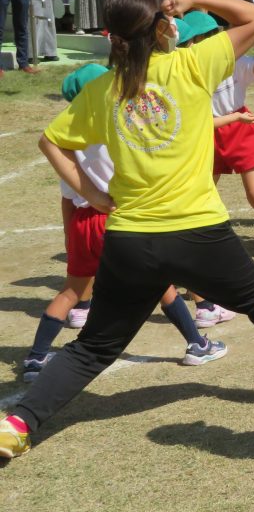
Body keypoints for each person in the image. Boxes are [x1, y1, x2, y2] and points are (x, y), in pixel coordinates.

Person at [0, 0, 254, 462]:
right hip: (198, 230)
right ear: (162, 27)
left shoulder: (104, 87)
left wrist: (95, 196)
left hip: (130, 239)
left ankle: (16, 424)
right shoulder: (191, 65)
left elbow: (51, 141)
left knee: (94, 347)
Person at [22, 63, 229, 383]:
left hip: (83, 221)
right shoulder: (115, 130)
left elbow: (68, 197)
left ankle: (36, 358)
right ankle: (197, 344)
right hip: (118, 218)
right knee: (161, 283)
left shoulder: (66, 141)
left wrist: (70, 236)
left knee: (71, 291)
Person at [182, 11, 254, 274]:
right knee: (202, 191)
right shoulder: (187, 69)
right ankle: (198, 246)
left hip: (241, 127)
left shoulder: (234, 62)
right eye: (199, 38)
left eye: (212, 36)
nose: (209, 42)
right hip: (208, 130)